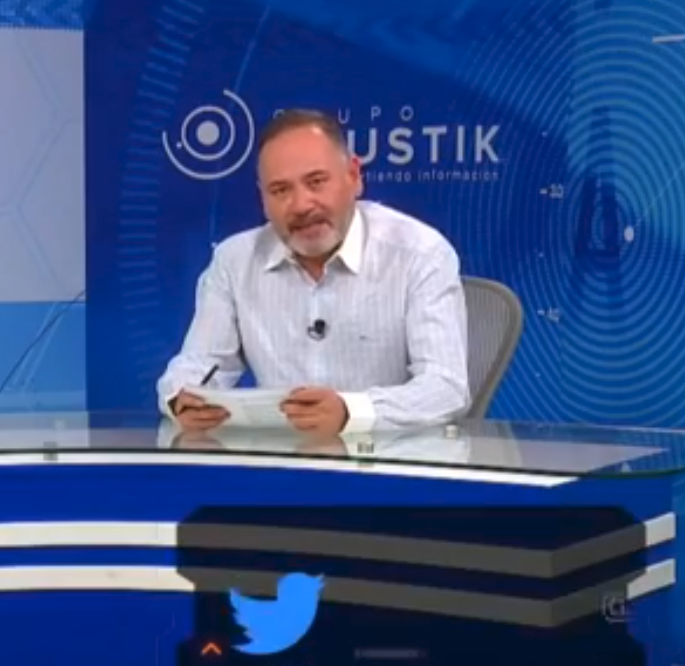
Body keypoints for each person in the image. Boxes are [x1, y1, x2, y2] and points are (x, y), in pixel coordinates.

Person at [156, 109, 470, 437]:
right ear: (263, 199)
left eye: (316, 182)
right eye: (280, 190)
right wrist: (181, 397)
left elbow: (446, 387)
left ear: (354, 176)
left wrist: (351, 412)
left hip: (391, 457)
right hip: (279, 459)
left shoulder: (420, 254)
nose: (301, 205)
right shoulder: (234, 261)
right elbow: (199, 364)